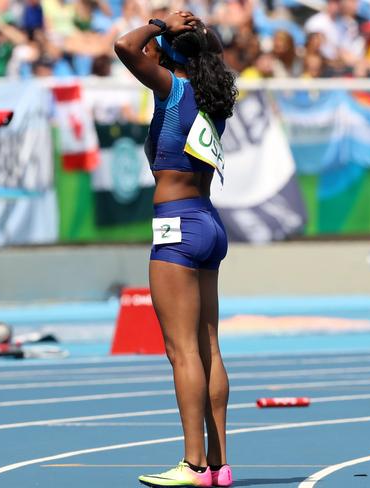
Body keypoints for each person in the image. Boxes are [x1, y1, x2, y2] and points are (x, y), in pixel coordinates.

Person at [114, 10, 237, 488]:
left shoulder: (172, 88)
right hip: (209, 221)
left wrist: (158, 22)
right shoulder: (215, 96)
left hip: (177, 226)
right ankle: (219, 463)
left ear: (166, 54)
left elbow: (126, 46)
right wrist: (195, 32)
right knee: (209, 347)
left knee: (181, 351)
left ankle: (192, 465)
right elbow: (211, 52)